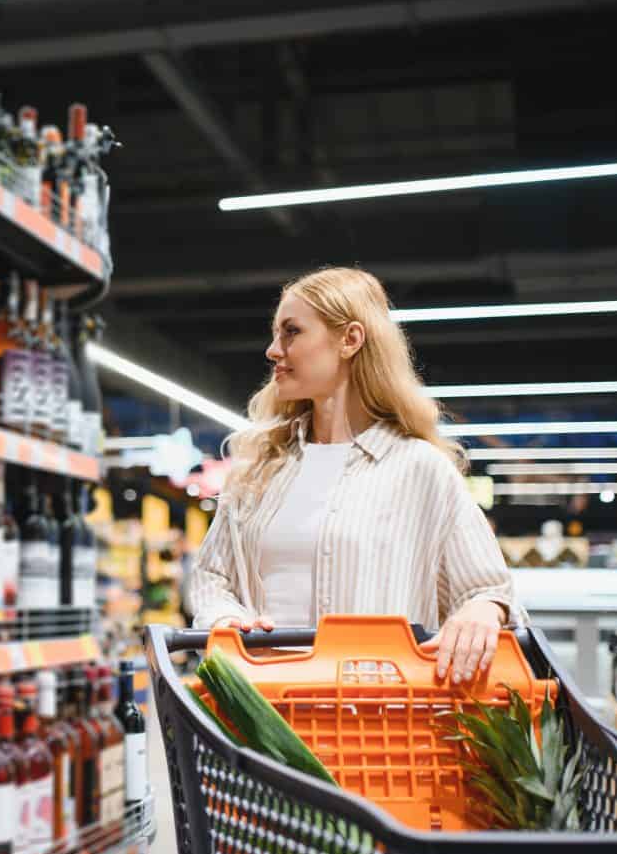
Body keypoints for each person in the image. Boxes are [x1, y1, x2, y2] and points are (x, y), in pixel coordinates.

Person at [185, 267, 524, 684]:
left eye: (291, 332)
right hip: (264, 713)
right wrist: (223, 617)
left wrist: (482, 611)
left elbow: (487, 590)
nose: (273, 350)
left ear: (350, 340)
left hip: (379, 721)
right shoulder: (260, 468)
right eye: (275, 334)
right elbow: (212, 576)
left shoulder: (419, 469)